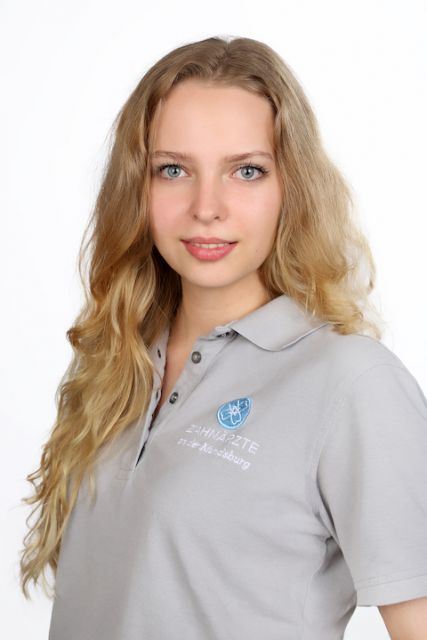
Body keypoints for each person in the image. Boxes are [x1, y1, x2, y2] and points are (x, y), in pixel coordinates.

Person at [19, 35, 427, 639]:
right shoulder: (115, 367)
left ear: (292, 188)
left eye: (247, 171)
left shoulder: (352, 383)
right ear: (137, 187)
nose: (206, 207)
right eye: (173, 169)